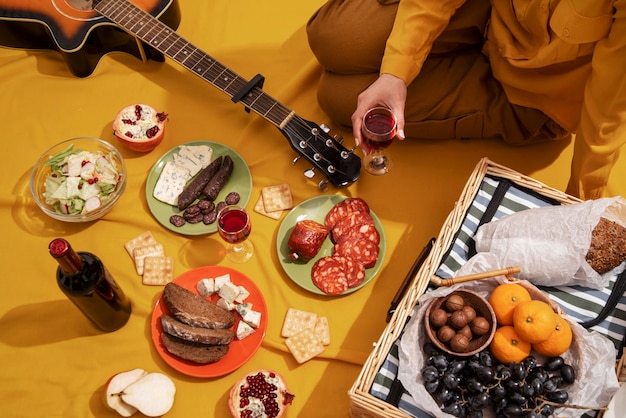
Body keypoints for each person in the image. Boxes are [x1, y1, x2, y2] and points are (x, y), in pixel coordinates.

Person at [306, 0, 625, 200]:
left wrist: (580, 204)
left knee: (338, 98)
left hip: (531, 94)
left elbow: (609, 105)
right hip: (486, 13)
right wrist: (395, 72)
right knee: (329, 35)